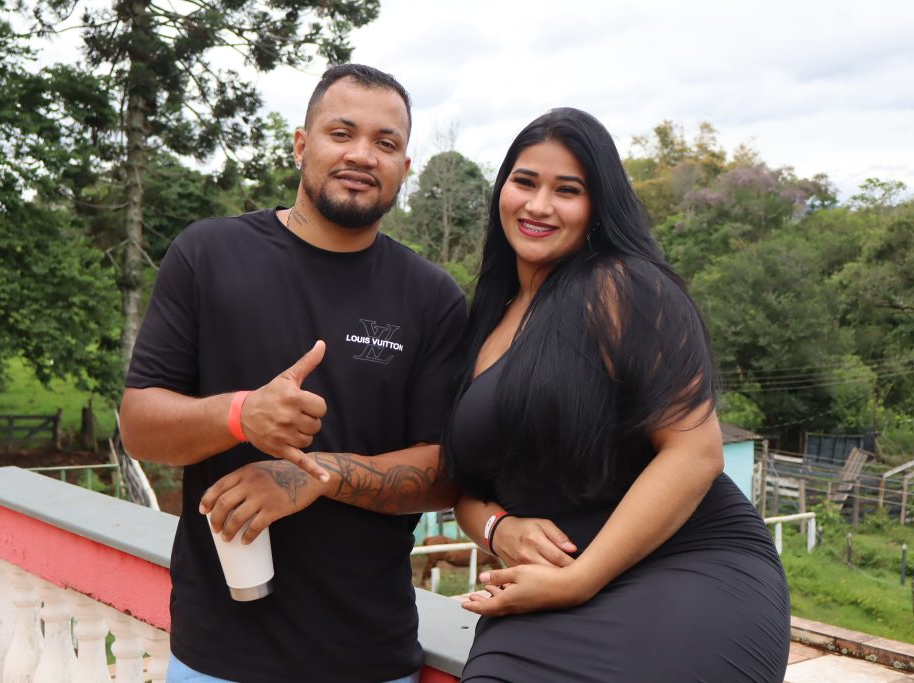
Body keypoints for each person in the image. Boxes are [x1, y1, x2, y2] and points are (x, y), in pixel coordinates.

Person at [119, 64, 466, 683]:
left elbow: (444, 476)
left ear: (404, 168)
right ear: (302, 144)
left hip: (370, 656)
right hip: (217, 656)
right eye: (342, 133)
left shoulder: (432, 297)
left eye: (386, 143)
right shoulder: (208, 255)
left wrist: (316, 477)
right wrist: (240, 415)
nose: (362, 155)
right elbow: (140, 428)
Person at [444, 108, 791, 682]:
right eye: (525, 181)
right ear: (502, 188)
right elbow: (466, 487)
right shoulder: (484, 319)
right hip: (548, 585)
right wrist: (498, 529)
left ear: (597, 206)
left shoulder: (620, 287)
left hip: (685, 568)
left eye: (567, 190)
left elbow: (695, 452)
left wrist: (580, 580)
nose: (538, 205)